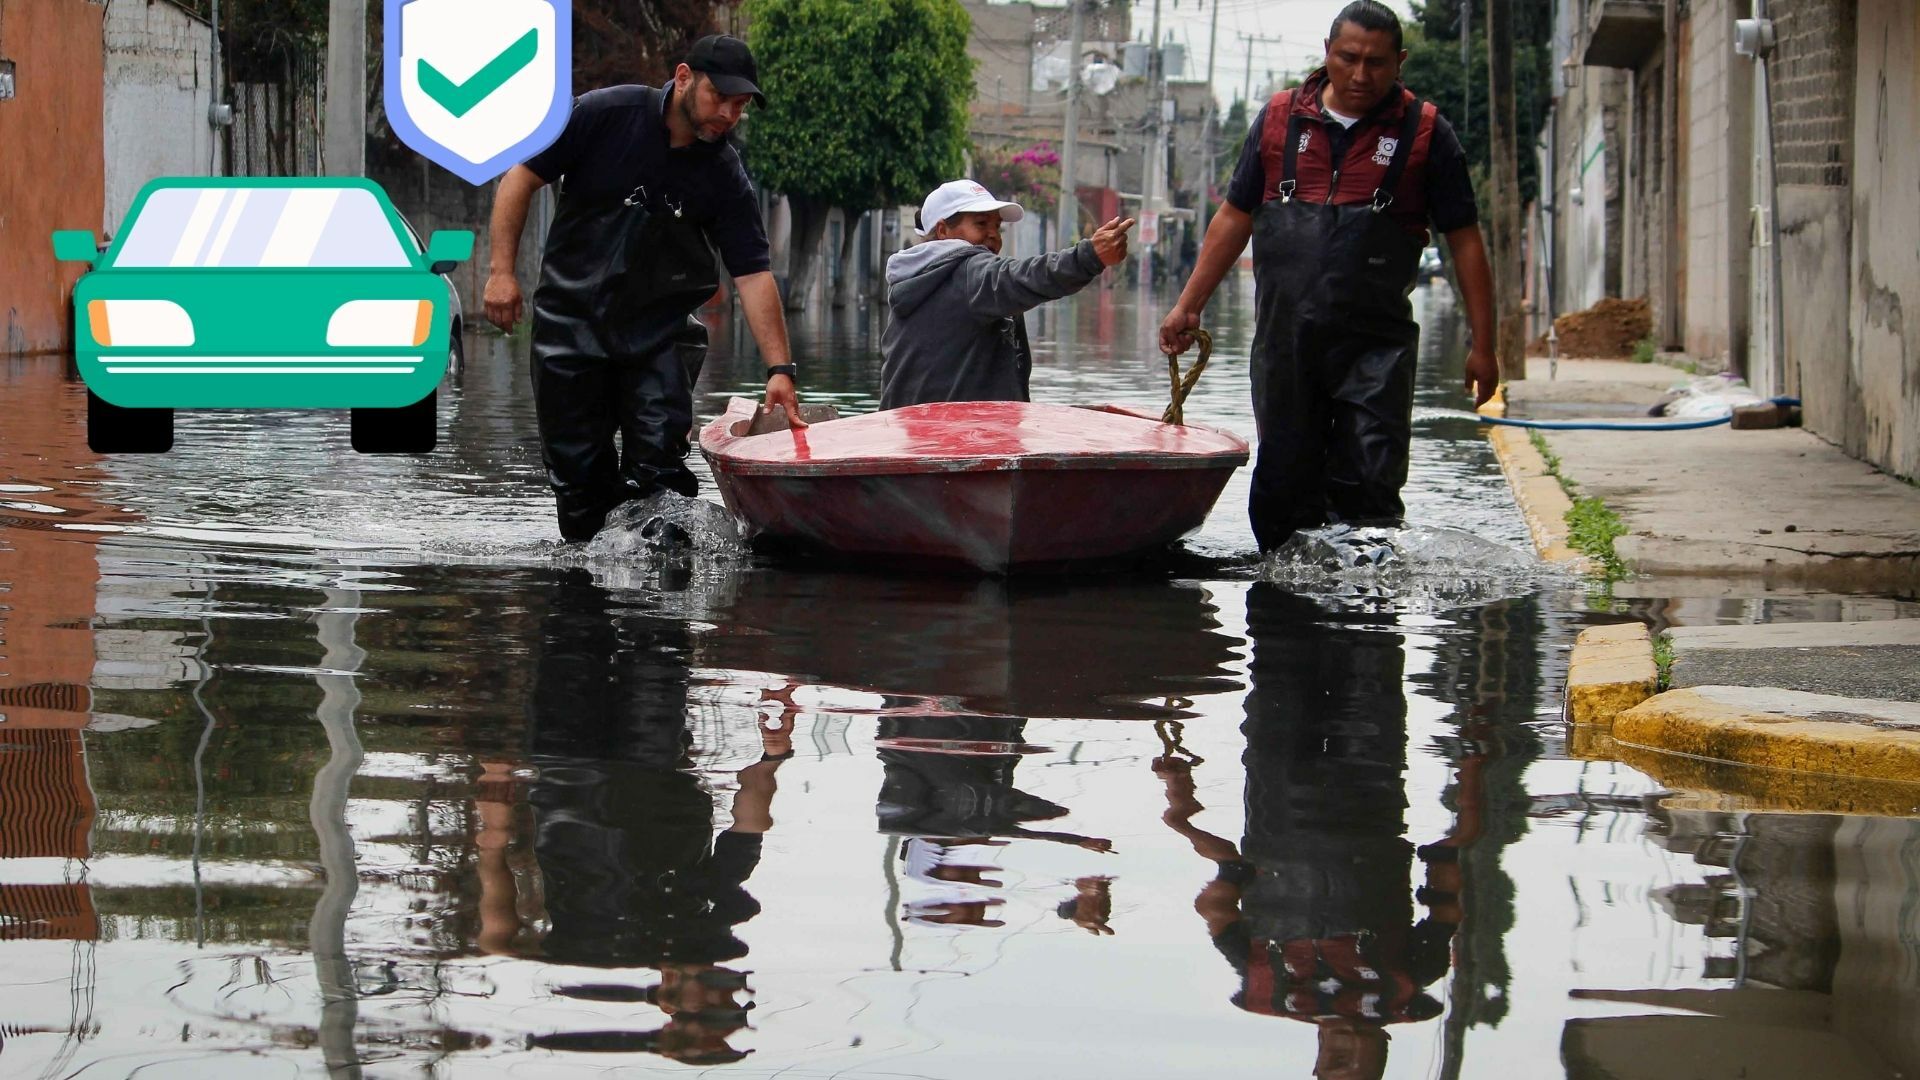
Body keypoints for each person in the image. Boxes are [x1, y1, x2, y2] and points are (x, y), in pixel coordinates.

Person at [1158, 1, 1500, 553]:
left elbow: (1465, 240)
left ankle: (1361, 622)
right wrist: (1188, 304)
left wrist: (1485, 345)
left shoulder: (1426, 133)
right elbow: (1234, 216)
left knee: (1369, 487)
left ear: (1400, 63)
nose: (1361, 75)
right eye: (1349, 59)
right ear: (1327, 53)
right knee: (1282, 489)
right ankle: (1282, 623)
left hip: (1377, 351)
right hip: (1286, 345)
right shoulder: (1278, 120)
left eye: (1377, 63)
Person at [484, 35, 805, 543]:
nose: (727, 114)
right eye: (719, 97)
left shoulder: (724, 174)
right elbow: (520, 176)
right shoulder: (604, 114)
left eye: (739, 106)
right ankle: (583, 604)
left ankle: (657, 611)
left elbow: (753, 273)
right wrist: (502, 272)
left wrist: (780, 370)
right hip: (570, 326)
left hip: (660, 335)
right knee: (580, 488)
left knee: (662, 485)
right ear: (683, 78)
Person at [1153, 585, 1483, 1080]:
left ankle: (1279, 586)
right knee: (1371, 659)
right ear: (1381, 1059)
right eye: (1357, 1071)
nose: (1344, 1060)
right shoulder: (1410, 982)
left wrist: (1182, 809)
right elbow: (1445, 894)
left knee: (1279, 672)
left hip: (1276, 809)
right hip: (1371, 800)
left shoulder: (1263, 986)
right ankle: (1369, 577)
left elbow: (1218, 904)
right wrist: (1471, 781)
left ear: (1316, 1065)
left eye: (1333, 1071)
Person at [879, 180, 1134, 410]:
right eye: (981, 224)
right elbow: (1027, 277)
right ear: (943, 230)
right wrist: (1089, 257)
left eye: (997, 227)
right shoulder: (971, 273)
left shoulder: (912, 280)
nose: (993, 234)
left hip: (910, 439)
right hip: (963, 443)